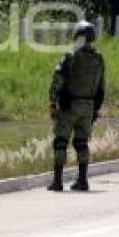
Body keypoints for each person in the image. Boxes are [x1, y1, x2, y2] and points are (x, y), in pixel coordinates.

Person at [47, 21, 105, 192]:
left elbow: (58, 80)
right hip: (88, 105)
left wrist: (52, 101)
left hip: (69, 105)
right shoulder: (98, 59)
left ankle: (57, 181)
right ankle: (82, 180)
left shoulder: (70, 56)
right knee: (81, 142)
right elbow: (101, 86)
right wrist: (95, 108)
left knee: (60, 141)